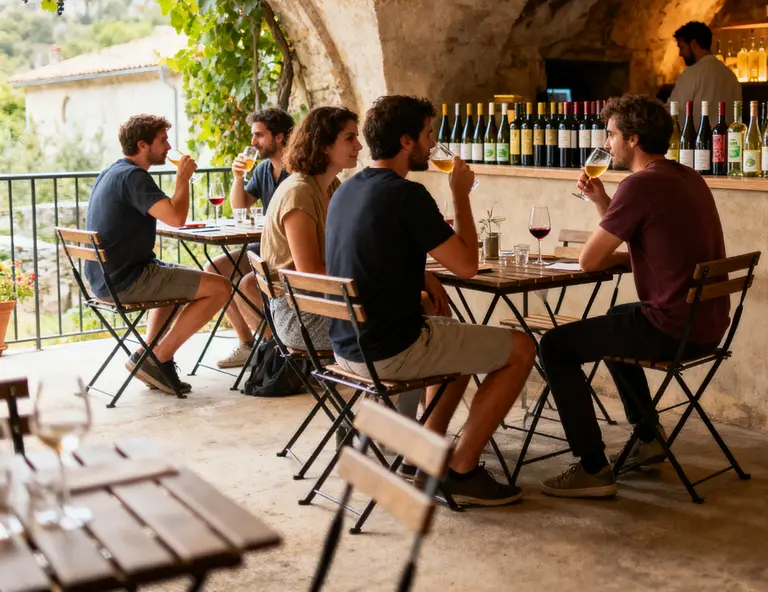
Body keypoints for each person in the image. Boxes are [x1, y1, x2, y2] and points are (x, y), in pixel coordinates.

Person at [325, 95, 536, 506]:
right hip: (390, 350)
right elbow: (468, 266)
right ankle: (462, 468)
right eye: (428, 135)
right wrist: (461, 194)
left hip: (346, 347)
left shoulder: (345, 190)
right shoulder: (408, 194)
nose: (433, 144)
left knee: (456, 342)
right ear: (406, 141)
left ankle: (420, 457)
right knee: (523, 348)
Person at [538, 94, 730, 498]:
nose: (607, 145)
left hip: (671, 327)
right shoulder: (685, 176)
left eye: (611, 136)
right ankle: (648, 435)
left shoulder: (639, 185)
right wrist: (600, 201)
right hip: (708, 324)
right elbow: (654, 244)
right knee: (616, 317)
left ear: (634, 139)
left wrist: (610, 205)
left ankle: (592, 468)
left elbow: (590, 261)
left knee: (555, 347)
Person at [85, 115, 232, 395]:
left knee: (176, 277)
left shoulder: (113, 171)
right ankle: (159, 357)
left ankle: (147, 355)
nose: (168, 147)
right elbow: (176, 218)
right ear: (142, 145)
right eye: (162, 140)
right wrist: (183, 179)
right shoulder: (133, 177)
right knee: (220, 288)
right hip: (126, 280)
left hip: (105, 279)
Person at [261, 106, 359, 353]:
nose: (358, 146)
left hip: (323, 301)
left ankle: (376, 390)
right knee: (407, 319)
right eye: (350, 138)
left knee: (412, 310)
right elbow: (311, 272)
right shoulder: (300, 193)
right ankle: (377, 390)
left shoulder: (331, 186)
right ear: (324, 145)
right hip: (299, 316)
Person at [206, 107, 294, 368]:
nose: (253, 142)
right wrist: (238, 176)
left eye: (259, 135)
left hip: (285, 250)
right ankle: (246, 344)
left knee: (244, 281)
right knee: (215, 271)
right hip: (262, 245)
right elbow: (241, 205)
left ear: (279, 137)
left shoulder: (298, 171)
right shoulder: (264, 169)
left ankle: (277, 349)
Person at [668, 21, 741, 115]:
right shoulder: (731, 76)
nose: (680, 54)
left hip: (696, 130)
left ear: (693, 44)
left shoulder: (691, 74)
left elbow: (671, 110)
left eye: (682, 47)